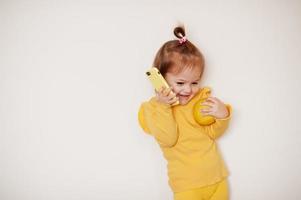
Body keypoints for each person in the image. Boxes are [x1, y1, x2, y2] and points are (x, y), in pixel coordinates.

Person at [138, 26, 232, 200]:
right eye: (180, 83)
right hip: (187, 186)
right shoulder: (153, 109)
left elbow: (212, 133)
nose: (188, 89)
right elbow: (168, 139)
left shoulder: (199, 101)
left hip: (217, 178)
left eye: (195, 82)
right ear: (161, 79)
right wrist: (163, 106)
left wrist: (222, 115)